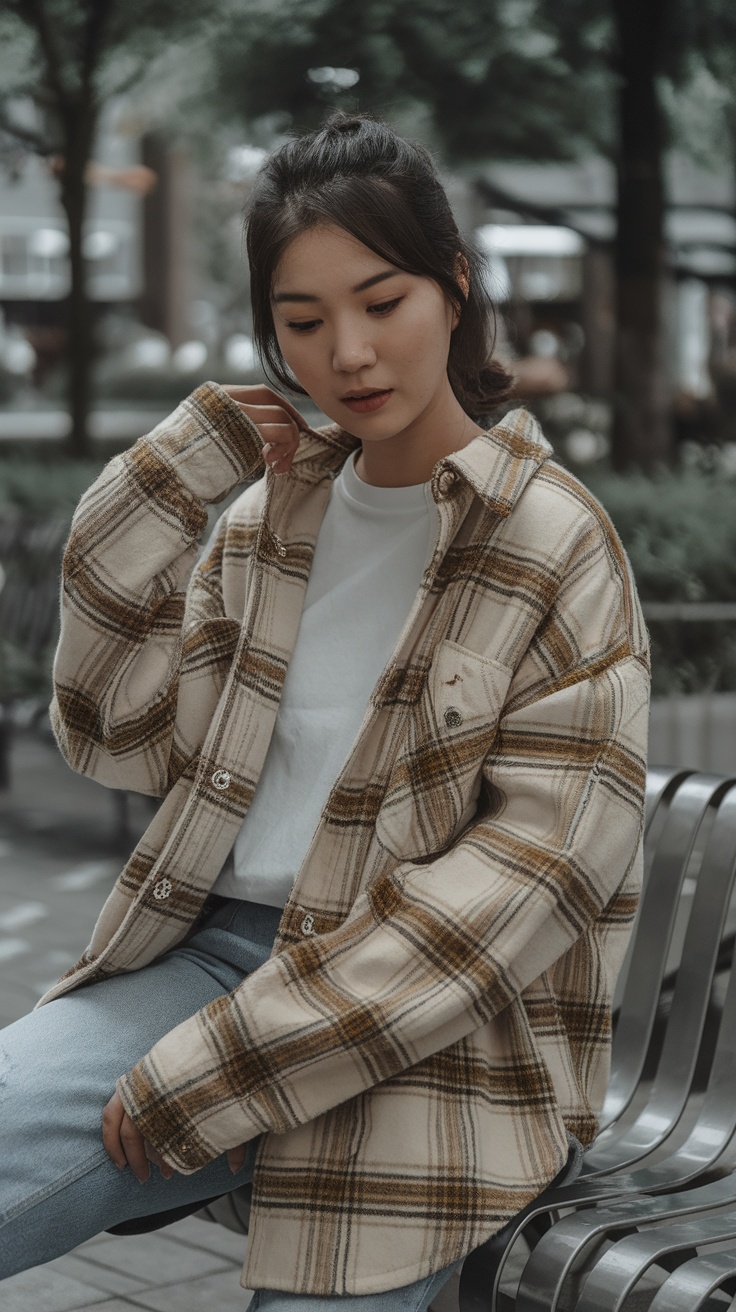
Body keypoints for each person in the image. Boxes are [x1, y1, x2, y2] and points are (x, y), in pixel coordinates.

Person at [0, 112, 650, 1309]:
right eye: (302, 323)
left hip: (446, 1031)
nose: (347, 353)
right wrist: (149, 492)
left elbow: (521, 883)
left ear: (454, 290)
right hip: (210, 963)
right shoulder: (262, 528)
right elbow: (118, 735)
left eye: (381, 301)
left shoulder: (555, 543)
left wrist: (225, 1064)